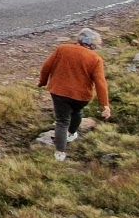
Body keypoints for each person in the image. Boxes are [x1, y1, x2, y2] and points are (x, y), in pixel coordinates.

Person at [38, 27, 111, 161]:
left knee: (62, 121)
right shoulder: (95, 59)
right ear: (92, 44)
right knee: (77, 112)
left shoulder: (62, 49)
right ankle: (71, 134)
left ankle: (59, 153)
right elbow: (101, 83)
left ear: (79, 39)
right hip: (81, 96)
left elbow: (46, 67)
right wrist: (105, 105)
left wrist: (42, 81)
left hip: (59, 92)